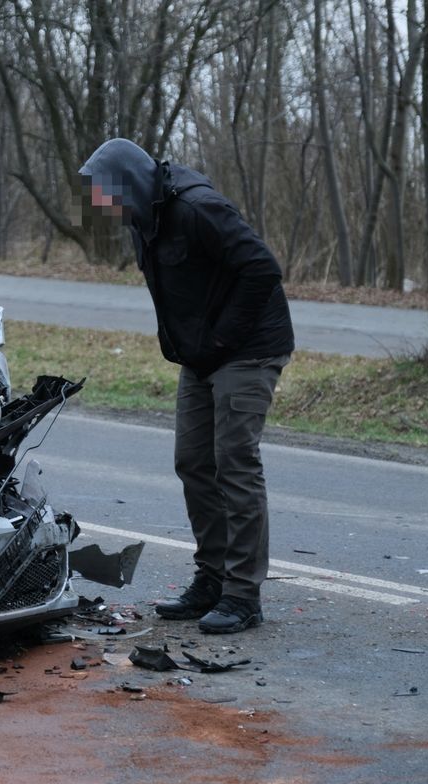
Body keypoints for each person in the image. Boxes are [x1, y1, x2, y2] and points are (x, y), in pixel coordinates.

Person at [79, 138, 294, 634]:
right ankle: (212, 580)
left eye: (105, 194)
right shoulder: (142, 220)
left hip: (248, 348)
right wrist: (182, 346)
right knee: (193, 461)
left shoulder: (199, 208)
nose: (102, 206)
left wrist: (221, 338)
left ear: (129, 182)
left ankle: (242, 595)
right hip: (201, 356)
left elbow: (262, 269)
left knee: (234, 463)